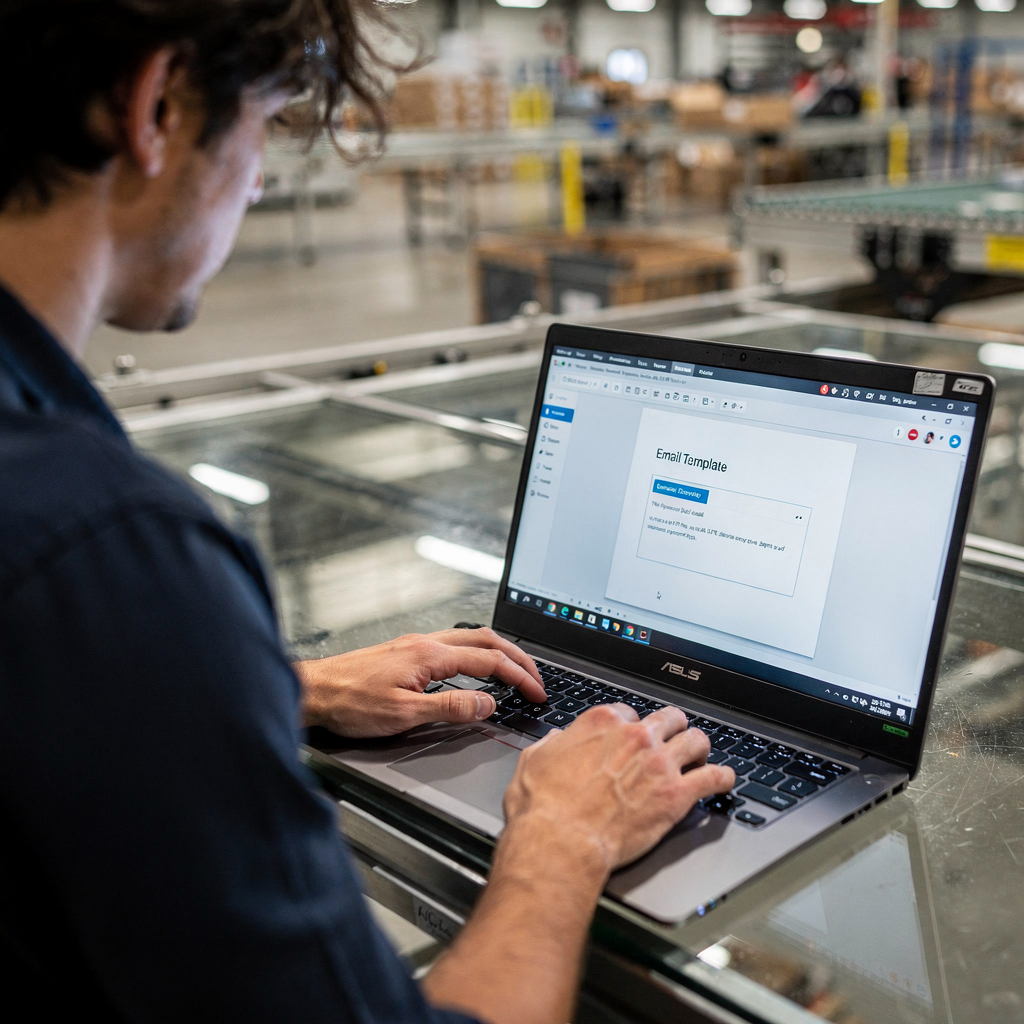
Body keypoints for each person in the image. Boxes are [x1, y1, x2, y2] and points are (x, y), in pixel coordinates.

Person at [0, 3, 734, 1022]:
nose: (256, 180)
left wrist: (271, 684)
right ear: (156, 105)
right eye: (263, 129)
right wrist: (563, 839)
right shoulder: (109, 552)